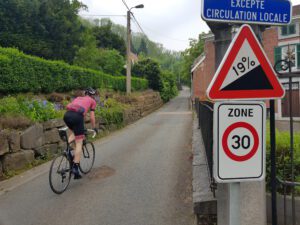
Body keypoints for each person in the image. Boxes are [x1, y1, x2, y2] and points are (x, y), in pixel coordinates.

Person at [63, 87, 98, 179]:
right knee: (79, 142)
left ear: (85, 93)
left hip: (67, 115)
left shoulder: (78, 98)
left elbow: (71, 106)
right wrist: (94, 128)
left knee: (75, 133)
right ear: (93, 95)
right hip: (77, 117)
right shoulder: (92, 101)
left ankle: (66, 149)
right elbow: (92, 117)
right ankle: (75, 168)